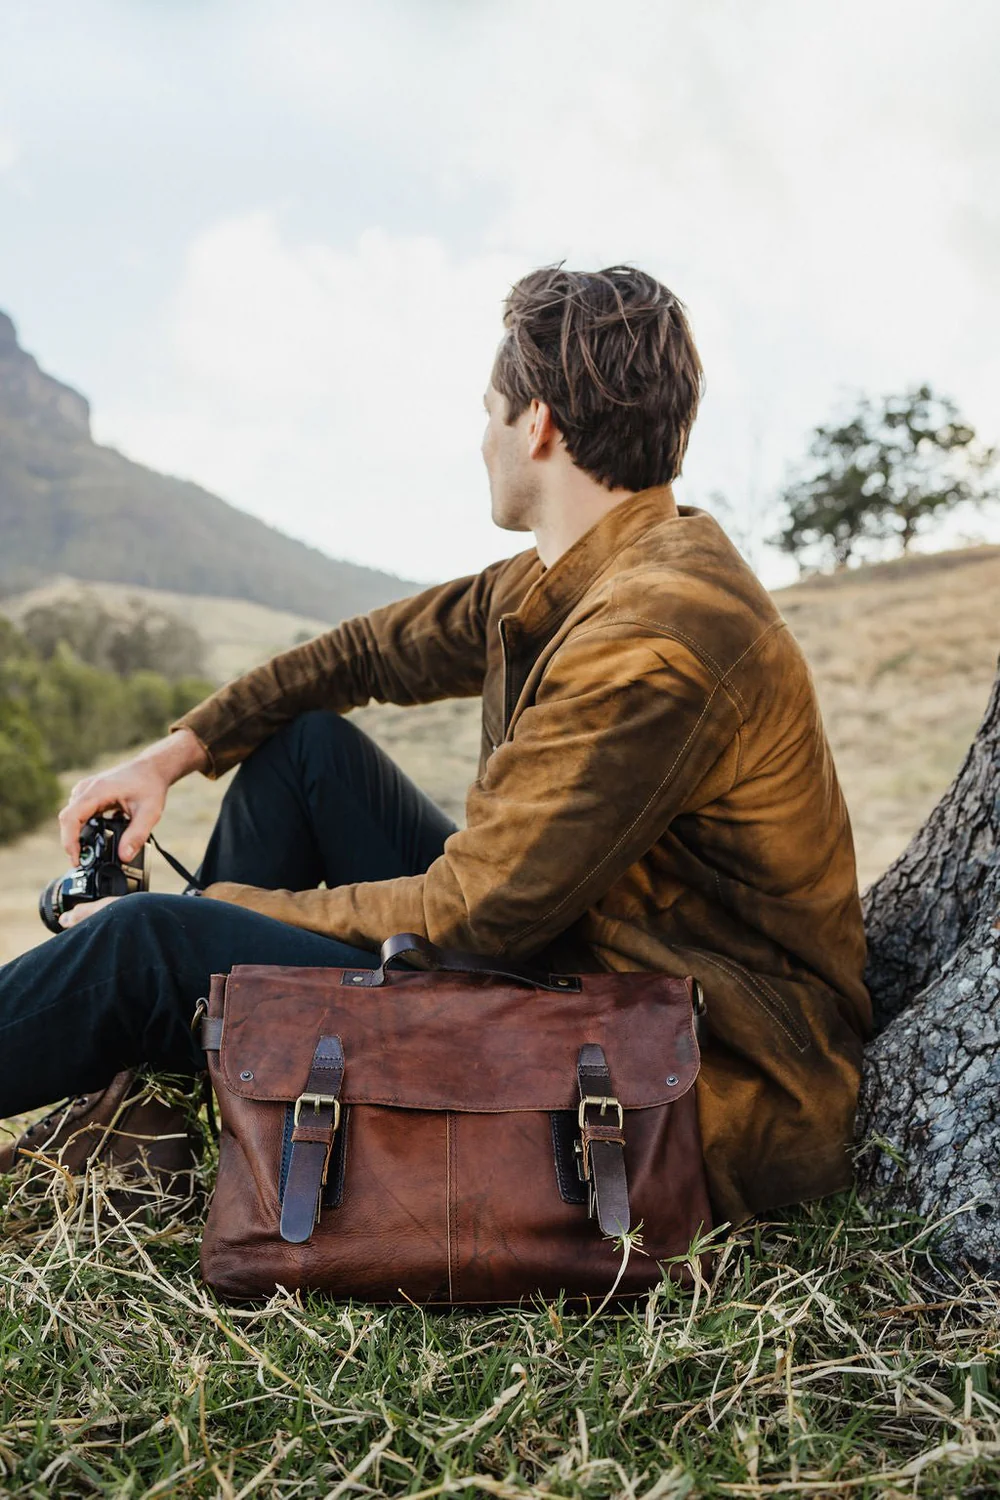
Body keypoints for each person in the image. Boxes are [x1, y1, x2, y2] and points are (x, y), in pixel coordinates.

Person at [0, 265, 872, 1233]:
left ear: (535, 424)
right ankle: (174, 1104)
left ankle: (165, 1057)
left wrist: (208, 912)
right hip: (581, 958)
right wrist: (172, 757)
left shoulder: (656, 640)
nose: (483, 440)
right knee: (310, 751)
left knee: (147, 946)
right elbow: (362, 653)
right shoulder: (596, 572)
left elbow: (469, 921)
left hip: (682, 1056)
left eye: (489, 413)